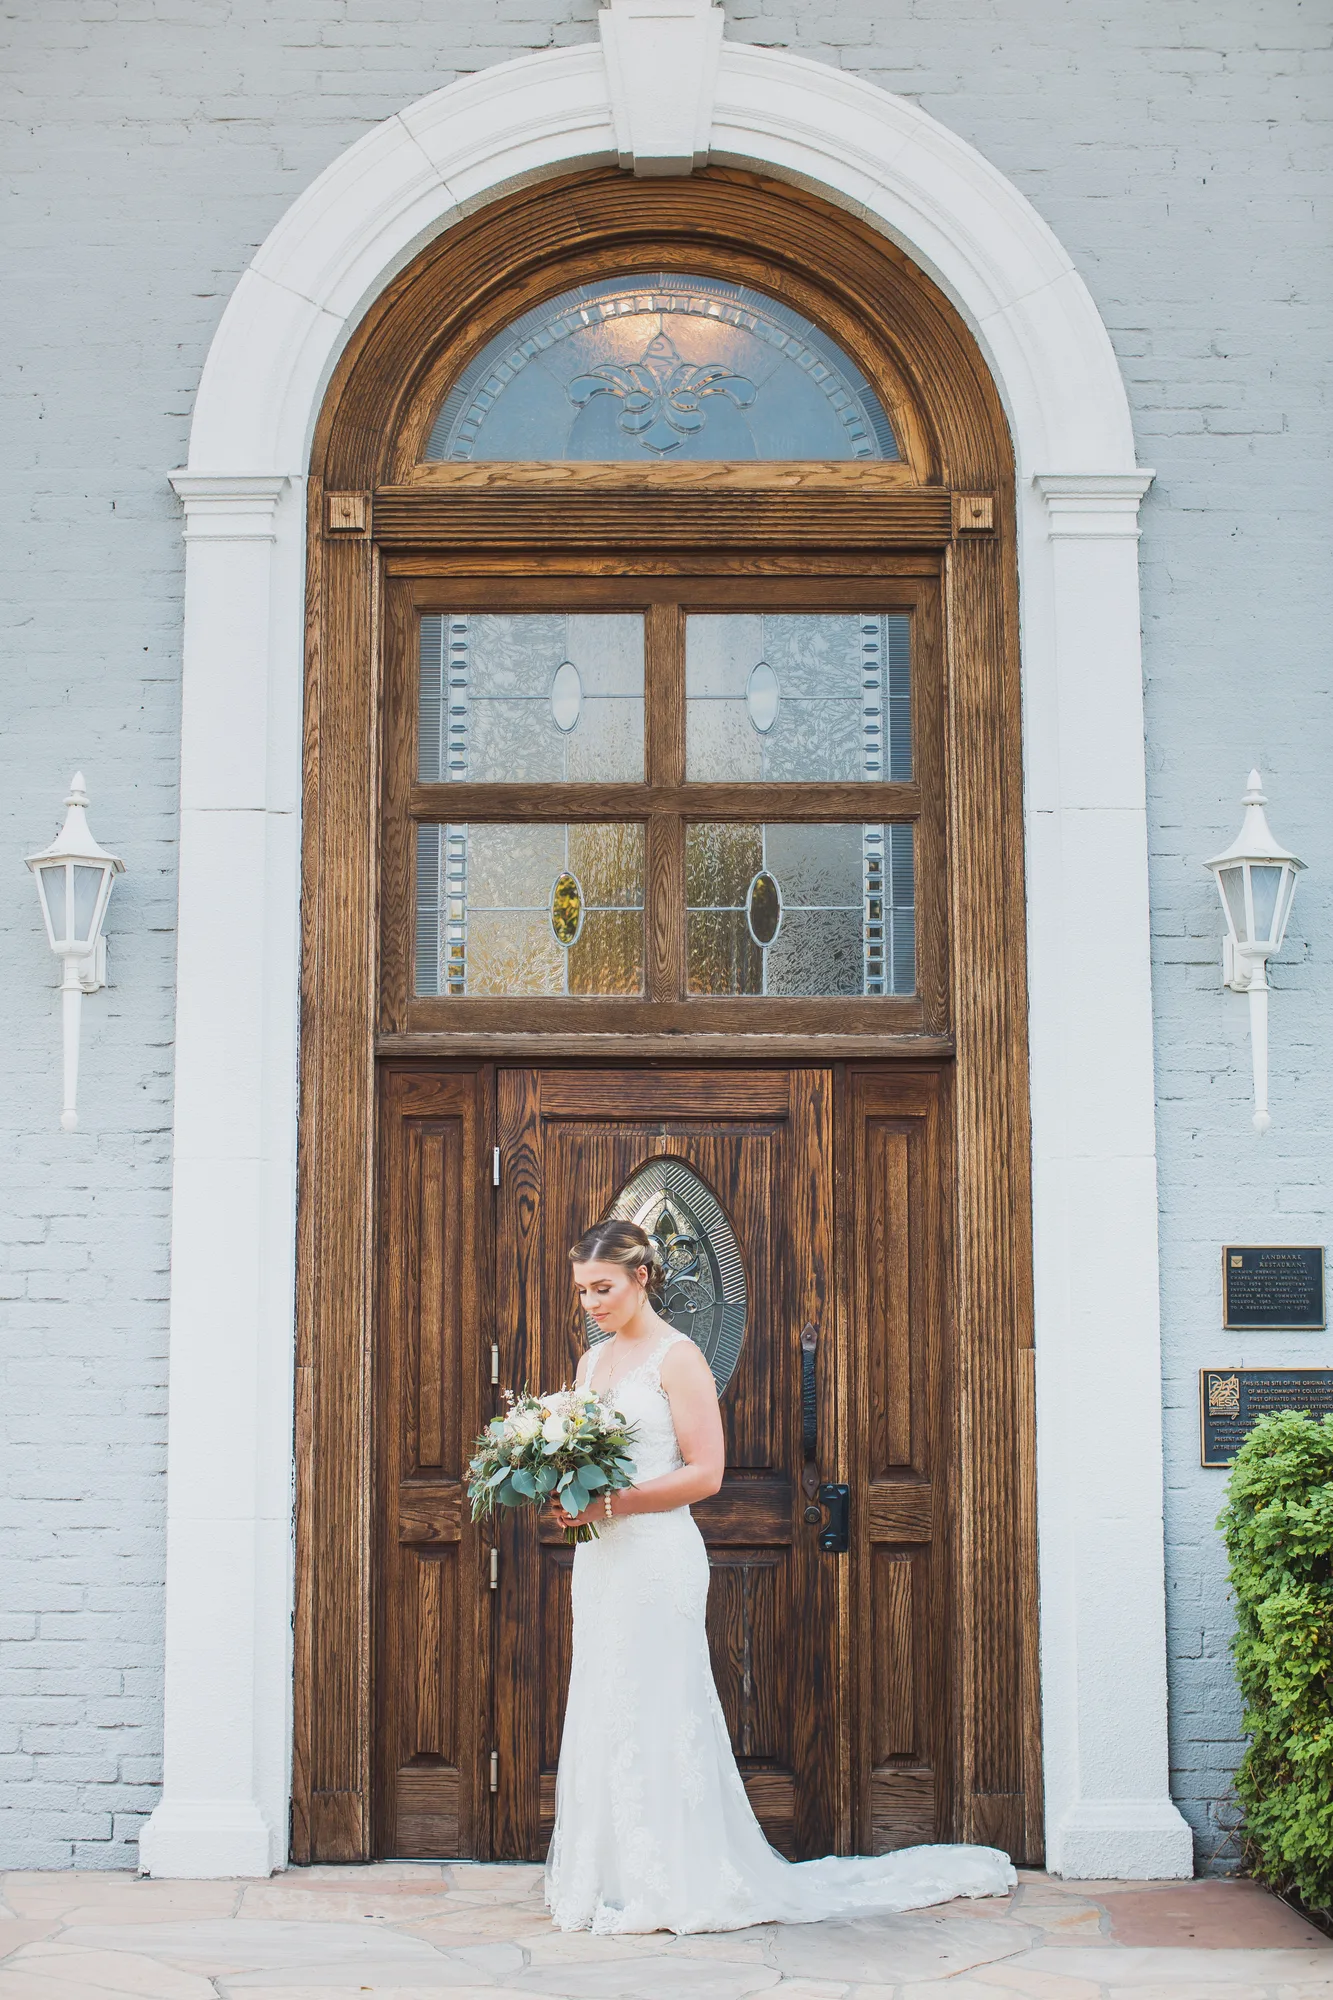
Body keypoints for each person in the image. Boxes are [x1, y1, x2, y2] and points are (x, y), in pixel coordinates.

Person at [543, 1217, 1015, 1935]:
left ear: (642, 1277)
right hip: (602, 1558)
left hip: (656, 1557)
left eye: (602, 1288)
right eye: (581, 1291)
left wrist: (614, 1502)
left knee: (661, 1701)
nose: (591, 1303)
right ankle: (608, 1872)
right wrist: (569, 1494)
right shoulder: (590, 1364)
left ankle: (676, 1875)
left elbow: (706, 1473)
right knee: (606, 1697)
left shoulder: (678, 1357)